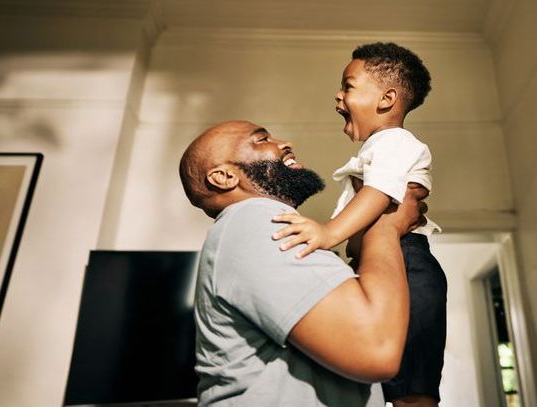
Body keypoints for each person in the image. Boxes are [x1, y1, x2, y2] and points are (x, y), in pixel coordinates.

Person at [179, 120, 429, 406]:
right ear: (224, 177)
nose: (285, 143)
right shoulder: (254, 222)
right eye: (261, 140)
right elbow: (377, 349)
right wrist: (386, 225)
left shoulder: (261, 228)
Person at [271, 43, 447, 406]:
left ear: (386, 99)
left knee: (411, 392)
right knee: (387, 384)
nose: (338, 94)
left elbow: (379, 194)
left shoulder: (396, 142)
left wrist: (328, 232)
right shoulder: (377, 149)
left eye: (348, 85)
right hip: (383, 262)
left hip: (408, 264)